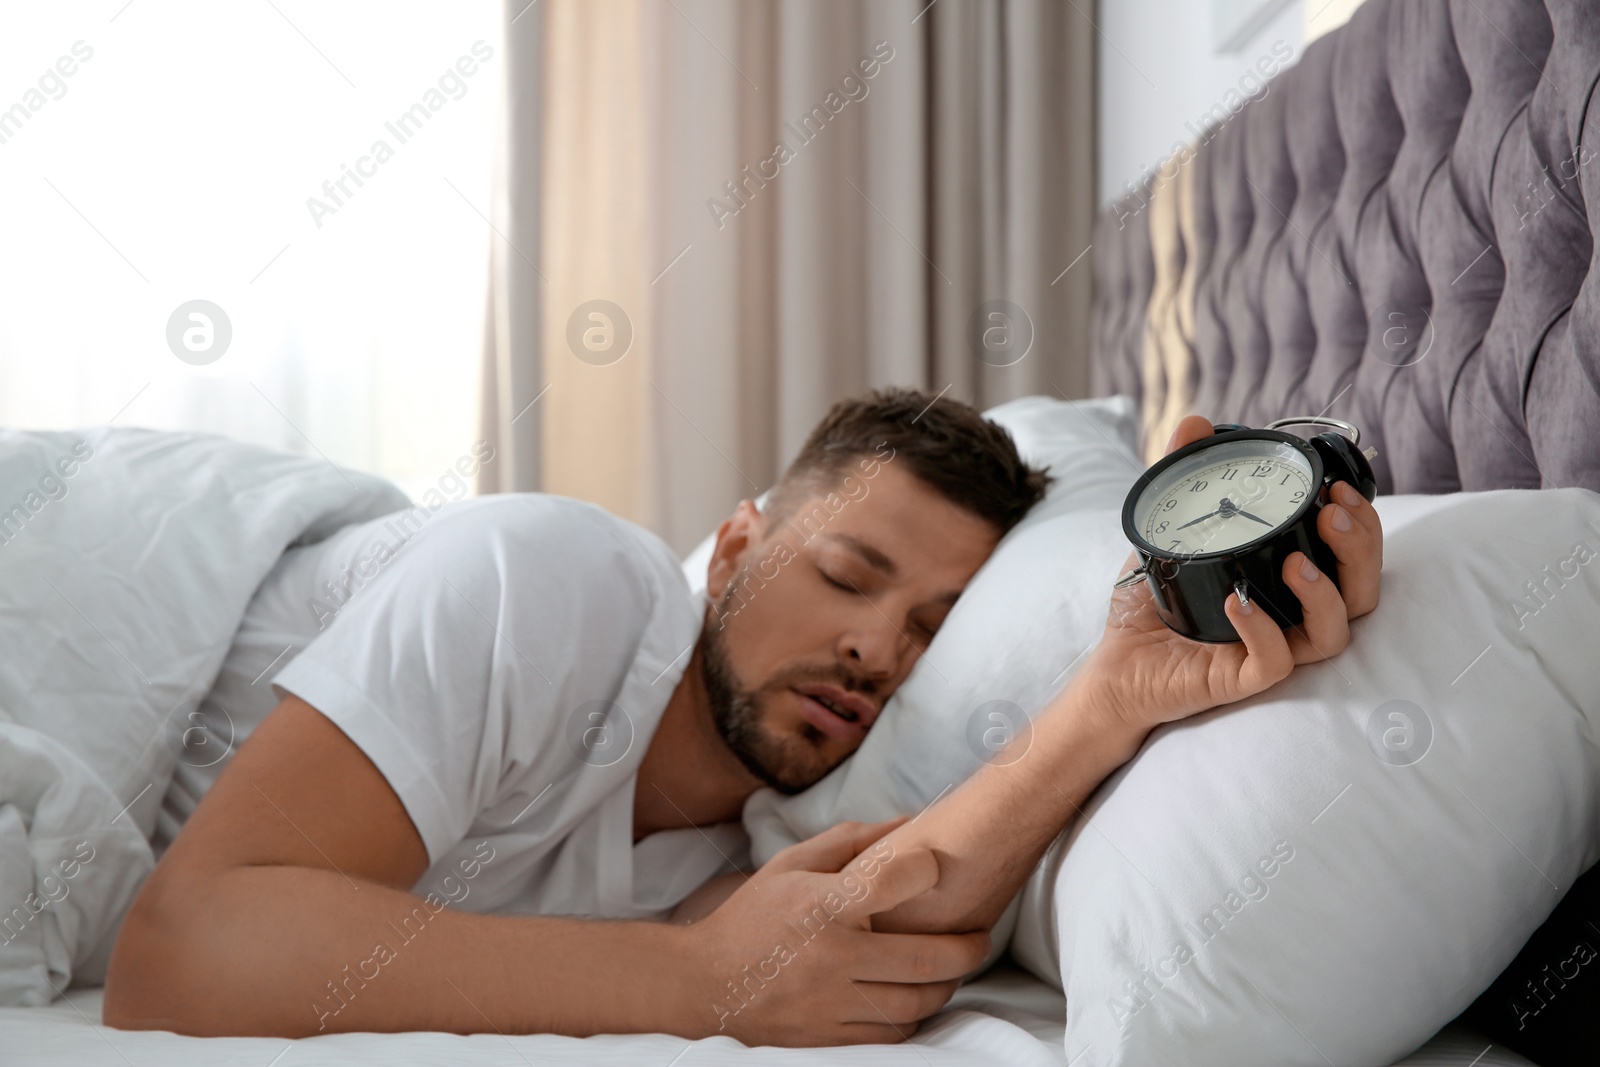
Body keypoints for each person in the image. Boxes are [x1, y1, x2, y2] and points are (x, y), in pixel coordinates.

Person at [103, 388, 1382, 1045]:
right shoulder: (548, 578)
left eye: (932, 631)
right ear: (730, 553)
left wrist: (1112, 697)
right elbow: (186, 946)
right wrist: (692, 980)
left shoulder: (756, 834)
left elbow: (848, 946)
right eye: (843, 574)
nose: (875, 648)